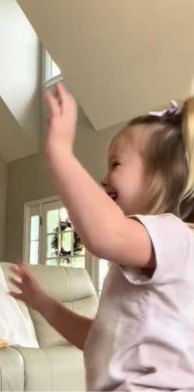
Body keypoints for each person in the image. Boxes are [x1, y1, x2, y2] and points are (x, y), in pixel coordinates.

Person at [10, 83, 194, 390]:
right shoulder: (145, 261)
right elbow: (98, 341)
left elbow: (104, 234)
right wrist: (44, 304)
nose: (104, 177)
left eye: (116, 164)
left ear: (161, 177)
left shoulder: (179, 238)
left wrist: (61, 154)